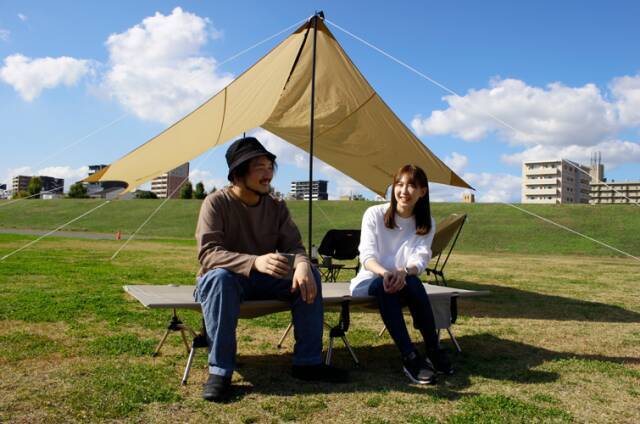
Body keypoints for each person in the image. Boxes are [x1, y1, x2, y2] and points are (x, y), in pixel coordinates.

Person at [195, 136, 348, 402]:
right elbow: (208, 254)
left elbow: (295, 247)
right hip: (224, 282)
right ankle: (220, 372)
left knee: (309, 276)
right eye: (260, 168)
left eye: (269, 167)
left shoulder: (277, 206)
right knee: (220, 279)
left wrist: (302, 265)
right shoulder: (216, 203)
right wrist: (254, 262)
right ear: (238, 174)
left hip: (264, 281)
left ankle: (308, 363)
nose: (268, 174)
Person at [350, 164, 452, 385]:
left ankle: (432, 350)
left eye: (411, 186)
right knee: (386, 287)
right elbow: (367, 256)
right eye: (399, 184)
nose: (404, 191)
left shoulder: (427, 222)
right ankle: (410, 357)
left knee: (413, 282)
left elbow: (420, 259)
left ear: (422, 191)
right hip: (371, 280)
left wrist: (403, 273)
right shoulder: (374, 214)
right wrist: (386, 273)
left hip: (404, 282)